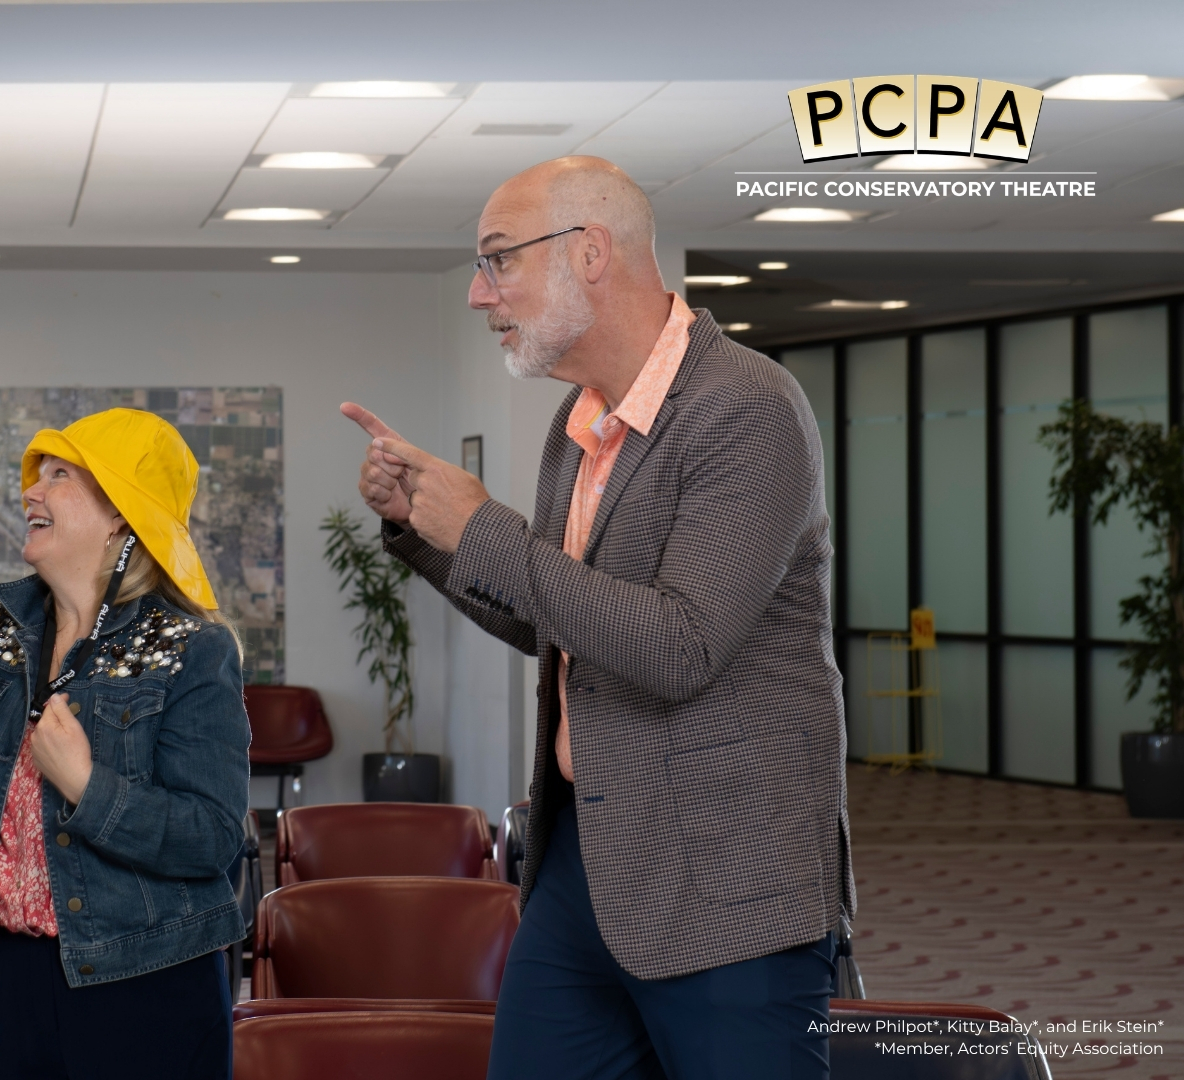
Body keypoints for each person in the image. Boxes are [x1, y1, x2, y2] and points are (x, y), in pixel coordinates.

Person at [343, 156, 852, 1079]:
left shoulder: (746, 408)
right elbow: (561, 624)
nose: (478, 292)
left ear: (588, 252)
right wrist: (426, 531)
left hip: (726, 879)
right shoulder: (578, 424)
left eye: (498, 259)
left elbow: (681, 646)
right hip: (585, 861)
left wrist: (484, 529)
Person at [0, 408, 250, 1080]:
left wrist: (89, 789)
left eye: (59, 476)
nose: (30, 493)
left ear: (121, 512)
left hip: (146, 984)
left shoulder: (194, 650)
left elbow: (212, 840)